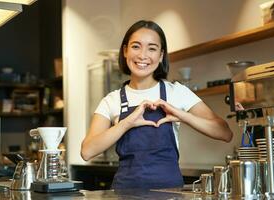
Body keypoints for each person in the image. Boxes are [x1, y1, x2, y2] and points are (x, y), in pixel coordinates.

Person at [81, 20, 233, 189]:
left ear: (161, 56)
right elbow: (87, 151)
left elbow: (224, 133)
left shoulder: (176, 92)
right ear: (125, 51)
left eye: (152, 48)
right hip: (124, 193)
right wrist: (127, 123)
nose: (142, 55)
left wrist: (182, 116)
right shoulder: (112, 100)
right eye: (136, 46)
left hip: (171, 192)